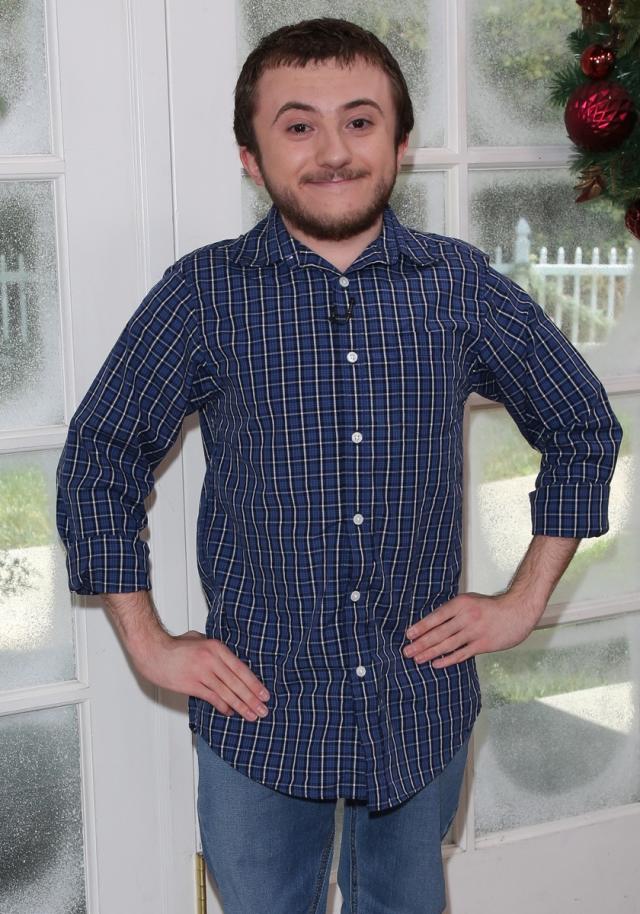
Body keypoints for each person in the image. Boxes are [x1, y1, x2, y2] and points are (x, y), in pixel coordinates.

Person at [56, 17, 623, 914]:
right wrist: (149, 641)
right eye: (297, 125)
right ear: (251, 156)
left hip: (418, 708)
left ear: (400, 143)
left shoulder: (462, 285)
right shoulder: (204, 295)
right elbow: (99, 458)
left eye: (360, 121)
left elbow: (583, 427)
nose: (332, 150)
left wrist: (521, 602)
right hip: (259, 717)